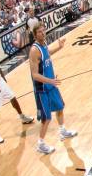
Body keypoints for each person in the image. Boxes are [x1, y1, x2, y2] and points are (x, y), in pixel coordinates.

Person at [29, 23, 77, 154]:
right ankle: (40, 144)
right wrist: (50, 80)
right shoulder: (34, 50)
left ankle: (62, 131)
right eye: (39, 32)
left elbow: (47, 54)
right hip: (42, 88)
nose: (43, 33)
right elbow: (34, 75)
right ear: (35, 35)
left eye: (43, 31)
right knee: (47, 118)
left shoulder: (43, 44)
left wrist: (59, 47)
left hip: (51, 84)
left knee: (60, 107)